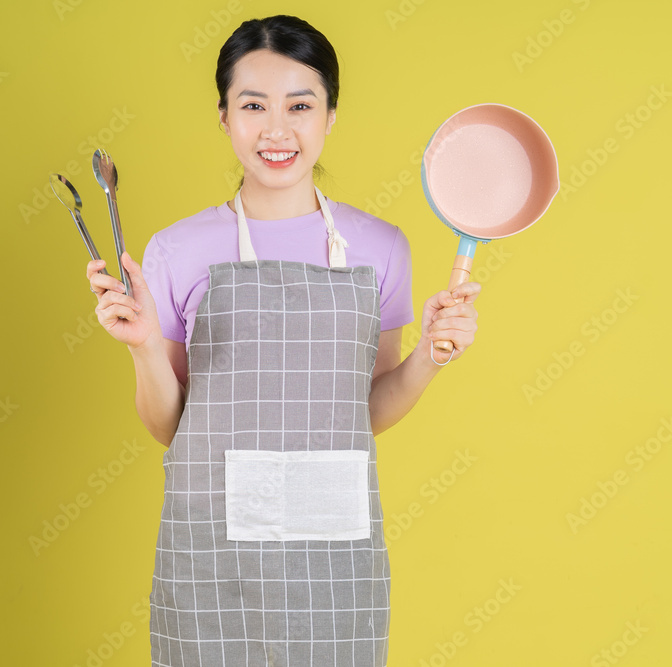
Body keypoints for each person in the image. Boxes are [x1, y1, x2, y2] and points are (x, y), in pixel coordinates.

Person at [85, 14, 480, 667]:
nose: (277, 129)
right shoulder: (176, 250)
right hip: (212, 553)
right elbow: (168, 425)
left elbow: (369, 408)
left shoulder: (381, 249)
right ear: (223, 117)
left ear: (330, 116)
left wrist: (429, 360)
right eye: (253, 105)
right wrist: (143, 348)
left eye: (300, 105)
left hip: (334, 556)